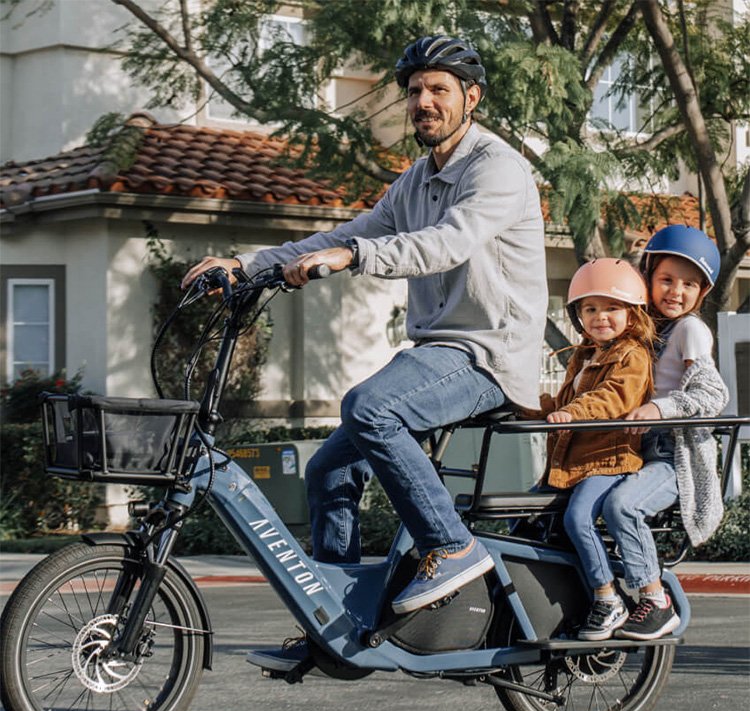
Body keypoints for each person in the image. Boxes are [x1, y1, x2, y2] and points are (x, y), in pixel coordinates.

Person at [182, 35, 547, 664]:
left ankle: (452, 546)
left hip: (490, 354)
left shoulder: (497, 168)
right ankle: (337, 621)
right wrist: (249, 264)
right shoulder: (415, 181)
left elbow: (445, 243)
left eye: (439, 90)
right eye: (414, 92)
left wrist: (354, 257)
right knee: (328, 471)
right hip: (436, 354)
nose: (424, 102)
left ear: (471, 98)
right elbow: (347, 232)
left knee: (370, 407)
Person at [600, 225, 729, 641]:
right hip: (635, 450)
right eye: (667, 280)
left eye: (690, 284)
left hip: (674, 457)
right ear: (648, 277)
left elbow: (711, 393)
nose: (676, 291)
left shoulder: (690, 330)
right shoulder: (642, 330)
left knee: (622, 506)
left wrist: (661, 406)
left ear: (702, 293)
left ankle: (655, 601)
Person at [528, 259, 657, 641]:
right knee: (522, 519)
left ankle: (607, 596)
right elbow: (561, 403)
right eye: (590, 308)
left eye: (612, 308)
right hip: (570, 464)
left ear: (632, 314)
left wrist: (571, 413)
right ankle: (552, 594)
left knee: (577, 517)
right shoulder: (583, 356)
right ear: (578, 315)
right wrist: (524, 405)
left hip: (608, 461)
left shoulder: (633, 355)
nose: (601, 317)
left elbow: (613, 398)